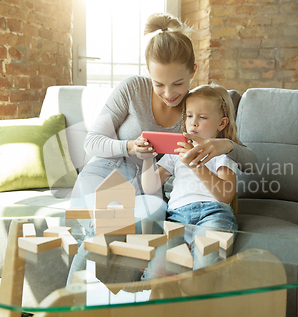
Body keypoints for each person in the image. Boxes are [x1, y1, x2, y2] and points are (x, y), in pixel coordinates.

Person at [70, 13, 257, 220]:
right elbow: (92, 143)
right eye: (158, 84)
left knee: (144, 231)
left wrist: (226, 145)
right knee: (99, 230)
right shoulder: (132, 88)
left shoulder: (196, 109)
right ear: (148, 72)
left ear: (193, 71)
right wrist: (131, 146)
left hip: (149, 190)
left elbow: (250, 163)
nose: (169, 94)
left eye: (178, 83)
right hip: (109, 169)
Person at [138, 84, 239, 270]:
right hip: (176, 218)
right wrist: (147, 160)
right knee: (157, 271)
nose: (193, 123)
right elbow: (150, 186)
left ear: (222, 123)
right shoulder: (176, 151)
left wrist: (195, 164)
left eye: (203, 117)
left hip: (214, 214)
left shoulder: (223, 153)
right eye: (190, 116)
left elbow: (225, 195)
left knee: (205, 265)